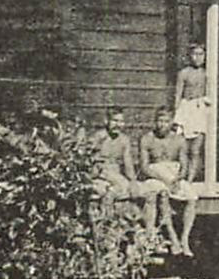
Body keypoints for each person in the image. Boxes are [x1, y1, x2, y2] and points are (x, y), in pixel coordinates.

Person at [90, 109, 163, 239]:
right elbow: (93, 164)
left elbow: (128, 164)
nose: (118, 124)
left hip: (119, 177)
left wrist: (133, 182)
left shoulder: (124, 140)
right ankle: (107, 235)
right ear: (106, 121)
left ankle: (149, 235)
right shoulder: (98, 137)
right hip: (101, 177)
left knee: (150, 193)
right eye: (115, 121)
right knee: (109, 193)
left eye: (121, 121)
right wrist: (112, 178)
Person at [140, 107, 189, 254]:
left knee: (192, 197)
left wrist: (178, 178)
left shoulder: (179, 140)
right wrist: (164, 179)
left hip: (173, 175)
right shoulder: (147, 139)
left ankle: (184, 238)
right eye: (159, 121)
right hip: (154, 175)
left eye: (166, 121)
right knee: (160, 193)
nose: (162, 124)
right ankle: (168, 235)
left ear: (172, 122)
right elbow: (144, 167)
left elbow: (184, 166)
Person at [172, 43, 210, 186]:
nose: (197, 57)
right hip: (186, 109)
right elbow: (178, 94)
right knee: (182, 147)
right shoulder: (184, 73)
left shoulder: (207, 73)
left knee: (195, 149)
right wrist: (176, 114)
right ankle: (181, 176)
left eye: (201, 54)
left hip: (200, 110)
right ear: (189, 56)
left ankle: (190, 179)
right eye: (195, 54)